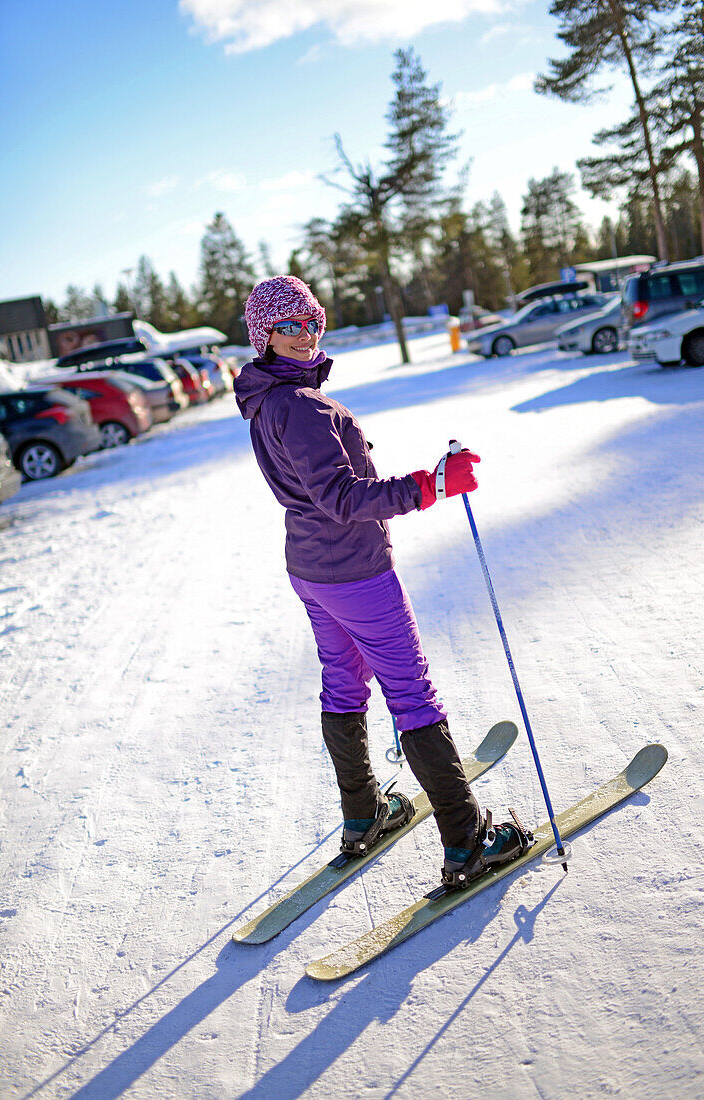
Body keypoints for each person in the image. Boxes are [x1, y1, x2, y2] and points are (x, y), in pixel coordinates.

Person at [234, 276, 523, 887]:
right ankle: (467, 843)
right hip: (355, 574)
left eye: (312, 320)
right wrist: (433, 485)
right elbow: (340, 496)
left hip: (312, 571)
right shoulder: (305, 408)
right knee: (411, 693)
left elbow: (319, 493)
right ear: (264, 337)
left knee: (343, 682)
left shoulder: (267, 402)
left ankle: (362, 815)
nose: (305, 333)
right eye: (288, 326)